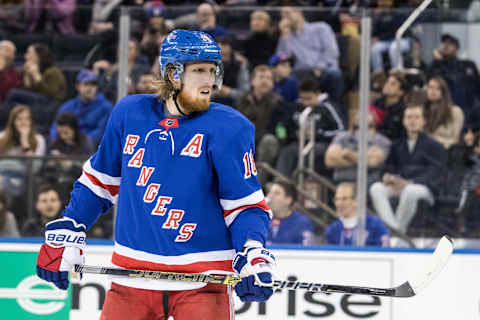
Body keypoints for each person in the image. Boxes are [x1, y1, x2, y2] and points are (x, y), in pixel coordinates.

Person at [36, 30, 276, 319]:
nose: (209, 80)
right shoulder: (129, 113)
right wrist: (71, 226)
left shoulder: (230, 128)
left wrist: (252, 250)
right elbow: (99, 182)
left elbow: (245, 205)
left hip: (202, 282)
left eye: (212, 71)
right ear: (173, 74)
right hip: (131, 278)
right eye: (199, 70)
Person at [369, 104, 447, 233]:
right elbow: (388, 166)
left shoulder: (435, 145)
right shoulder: (397, 144)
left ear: (423, 121)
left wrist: (410, 182)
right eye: (409, 117)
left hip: (425, 187)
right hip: (399, 184)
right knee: (376, 188)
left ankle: (398, 232)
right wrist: (387, 176)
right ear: (404, 121)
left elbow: (435, 173)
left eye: (416, 117)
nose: (412, 121)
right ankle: (393, 230)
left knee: (410, 190)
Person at [325, 111, 391, 186]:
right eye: (359, 113)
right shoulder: (342, 137)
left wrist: (349, 155)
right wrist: (364, 158)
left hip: (368, 184)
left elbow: (373, 162)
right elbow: (329, 160)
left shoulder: (382, 140)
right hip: (341, 183)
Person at [50, 69, 113, 145]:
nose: (90, 88)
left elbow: (101, 132)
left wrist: (80, 142)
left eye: (93, 84)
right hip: (67, 145)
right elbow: (55, 129)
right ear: (77, 86)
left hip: (92, 148)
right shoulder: (68, 106)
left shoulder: (106, 107)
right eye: (86, 84)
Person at [326, 182, 390, 246]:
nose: (339, 203)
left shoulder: (375, 225)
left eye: (344, 199)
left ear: (356, 201)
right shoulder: (332, 229)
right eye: (337, 199)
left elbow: (384, 251)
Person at [266, 181, 314, 245]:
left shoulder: (301, 222)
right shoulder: (259, 220)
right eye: (269, 192)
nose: (270, 196)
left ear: (288, 200)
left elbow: (307, 250)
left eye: (276, 193)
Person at [424, 76, 464, 149]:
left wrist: (436, 141)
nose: (433, 91)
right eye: (430, 87)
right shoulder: (423, 110)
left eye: (438, 88)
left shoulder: (455, 111)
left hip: (446, 151)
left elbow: (456, 139)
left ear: (443, 92)